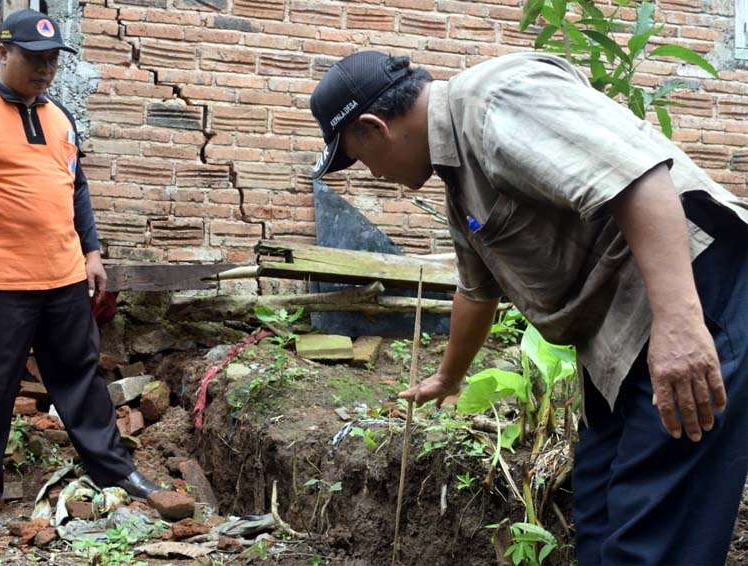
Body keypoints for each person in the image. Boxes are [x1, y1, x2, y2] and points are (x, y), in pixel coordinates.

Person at [309, 50, 748, 565]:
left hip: (691, 298)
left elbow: (640, 180)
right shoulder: (458, 176)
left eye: (360, 160)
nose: (374, 175)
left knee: (656, 537)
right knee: (601, 517)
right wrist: (448, 379)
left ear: (374, 127)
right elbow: (477, 291)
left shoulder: (497, 103)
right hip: (616, 343)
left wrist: (680, 325)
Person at [0, 9, 162, 538]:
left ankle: (114, 471)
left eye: (52, 60)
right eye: (34, 58)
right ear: (4, 53)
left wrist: (92, 254)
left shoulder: (59, 117)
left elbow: (76, 190)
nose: (45, 69)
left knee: (81, 381)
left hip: (62, 280)